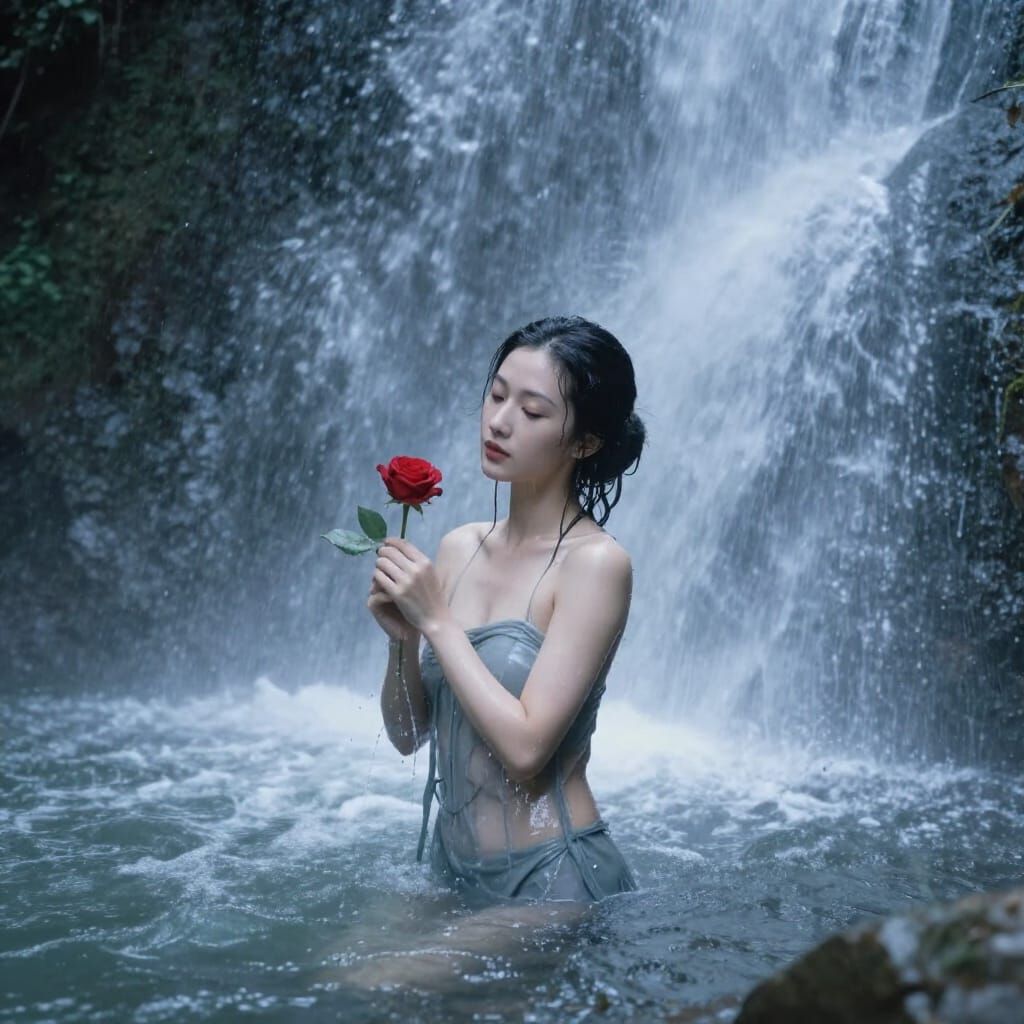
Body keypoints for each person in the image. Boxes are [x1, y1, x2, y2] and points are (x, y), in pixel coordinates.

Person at [367, 315, 645, 905]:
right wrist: (403, 640)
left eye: (533, 411)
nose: (498, 421)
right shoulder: (459, 547)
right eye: (496, 395)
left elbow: (525, 752)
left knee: (374, 983)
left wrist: (438, 622)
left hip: (552, 874)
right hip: (450, 869)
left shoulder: (596, 565)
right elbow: (408, 736)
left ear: (585, 442)